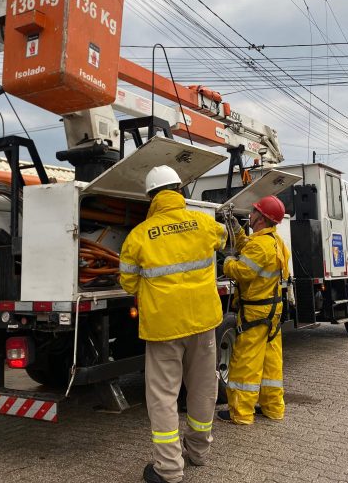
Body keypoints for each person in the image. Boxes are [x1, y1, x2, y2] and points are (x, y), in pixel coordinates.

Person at [119, 165, 228, 483]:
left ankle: (168, 470)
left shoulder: (139, 235)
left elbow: (127, 282)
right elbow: (225, 238)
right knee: (204, 389)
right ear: (180, 191)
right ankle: (198, 452)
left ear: (151, 197)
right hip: (204, 322)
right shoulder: (204, 223)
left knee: (164, 396)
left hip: (163, 327)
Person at [218, 195, 290, 425]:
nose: (251, 214)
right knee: (271, 364)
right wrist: (237, 231)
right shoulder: (274, 241)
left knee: (245, 363)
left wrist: (227, 262)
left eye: (254, 211)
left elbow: (243, 271)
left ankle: (241, 413)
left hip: (255, 313)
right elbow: (249, 247)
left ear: (262, 217)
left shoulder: (261, 246)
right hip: (271, 312)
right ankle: (273, 408)